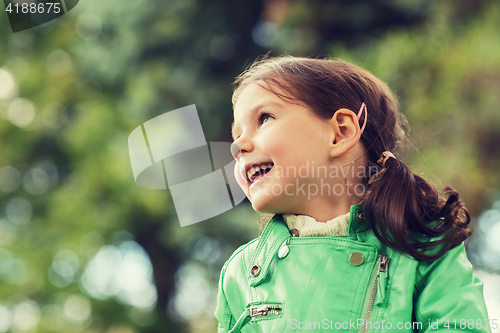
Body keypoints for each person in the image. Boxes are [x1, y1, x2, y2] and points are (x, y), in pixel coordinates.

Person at [215, 56, 491, 333]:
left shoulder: (423, 246)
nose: (237, 146)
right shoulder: (241, 273)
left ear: (341, 133)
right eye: (236, 134)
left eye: (264, 118)